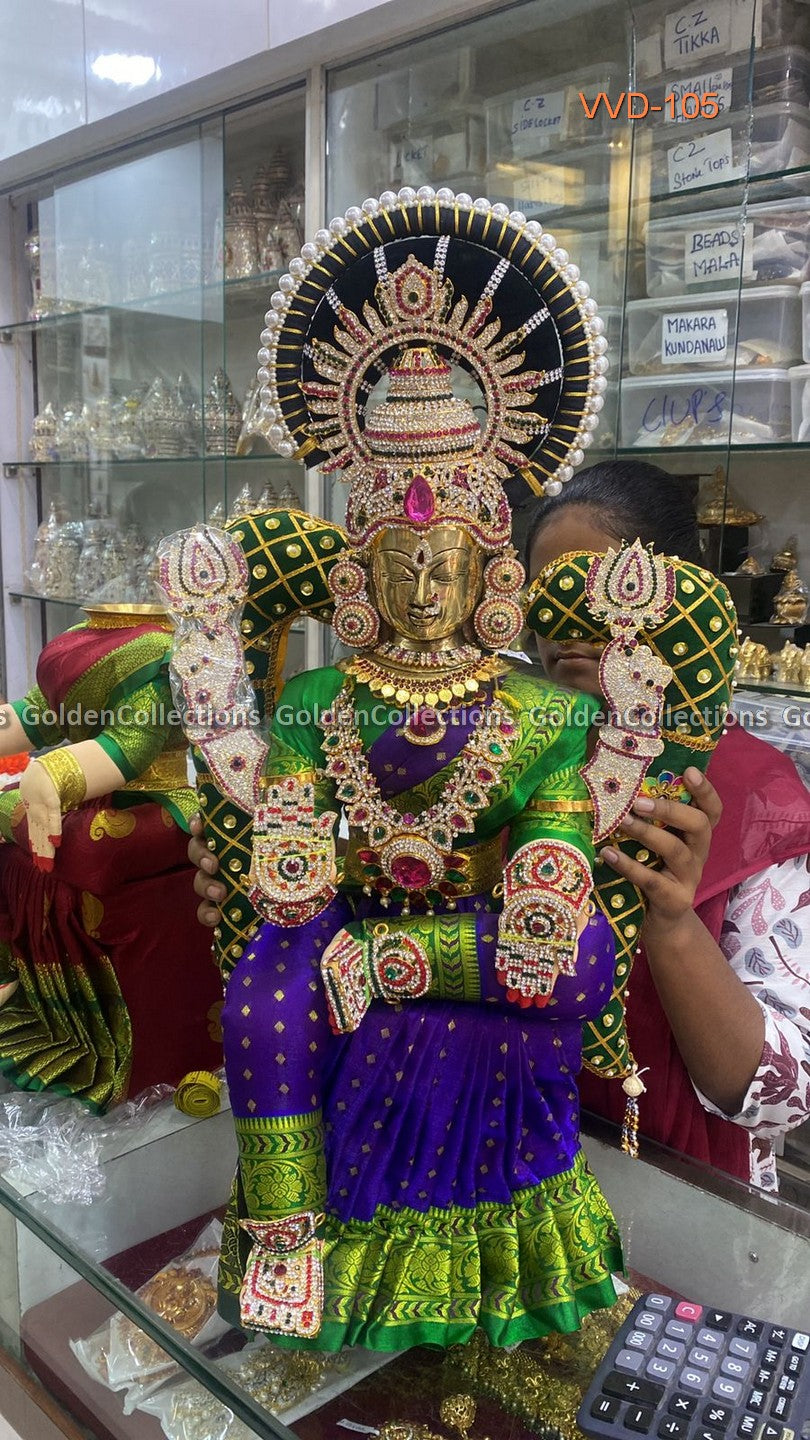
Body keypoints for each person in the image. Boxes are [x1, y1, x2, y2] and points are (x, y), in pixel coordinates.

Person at [167, 194, 736, 1354]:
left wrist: (441, 927)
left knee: (565, 952)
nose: (424, 595)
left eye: (449, 566)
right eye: (398, 563)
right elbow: (289, 871)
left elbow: (558, 866)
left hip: (473, 948)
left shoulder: (538, 710)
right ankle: (286, 1226)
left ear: (495, 579)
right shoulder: (324, 700)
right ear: (358, 575)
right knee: (271, 977)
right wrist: (294, 870)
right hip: (338, 928)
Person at [525, 459, 810, 1190]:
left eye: (597, 600)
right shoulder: (503, 759)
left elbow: (783, 1097)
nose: (569, 632)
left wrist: (676, 926)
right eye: (548, 602)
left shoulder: (754, 796)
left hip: (679, 1189)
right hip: (506, 1156)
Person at [0, 602, 222, 1109]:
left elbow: (130, 747)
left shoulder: (163, 652)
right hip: (87, 792)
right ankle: (20, 984)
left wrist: (49, 774)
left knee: (87, 848)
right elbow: (34, 718)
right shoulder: (79, 637)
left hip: (161, 798)